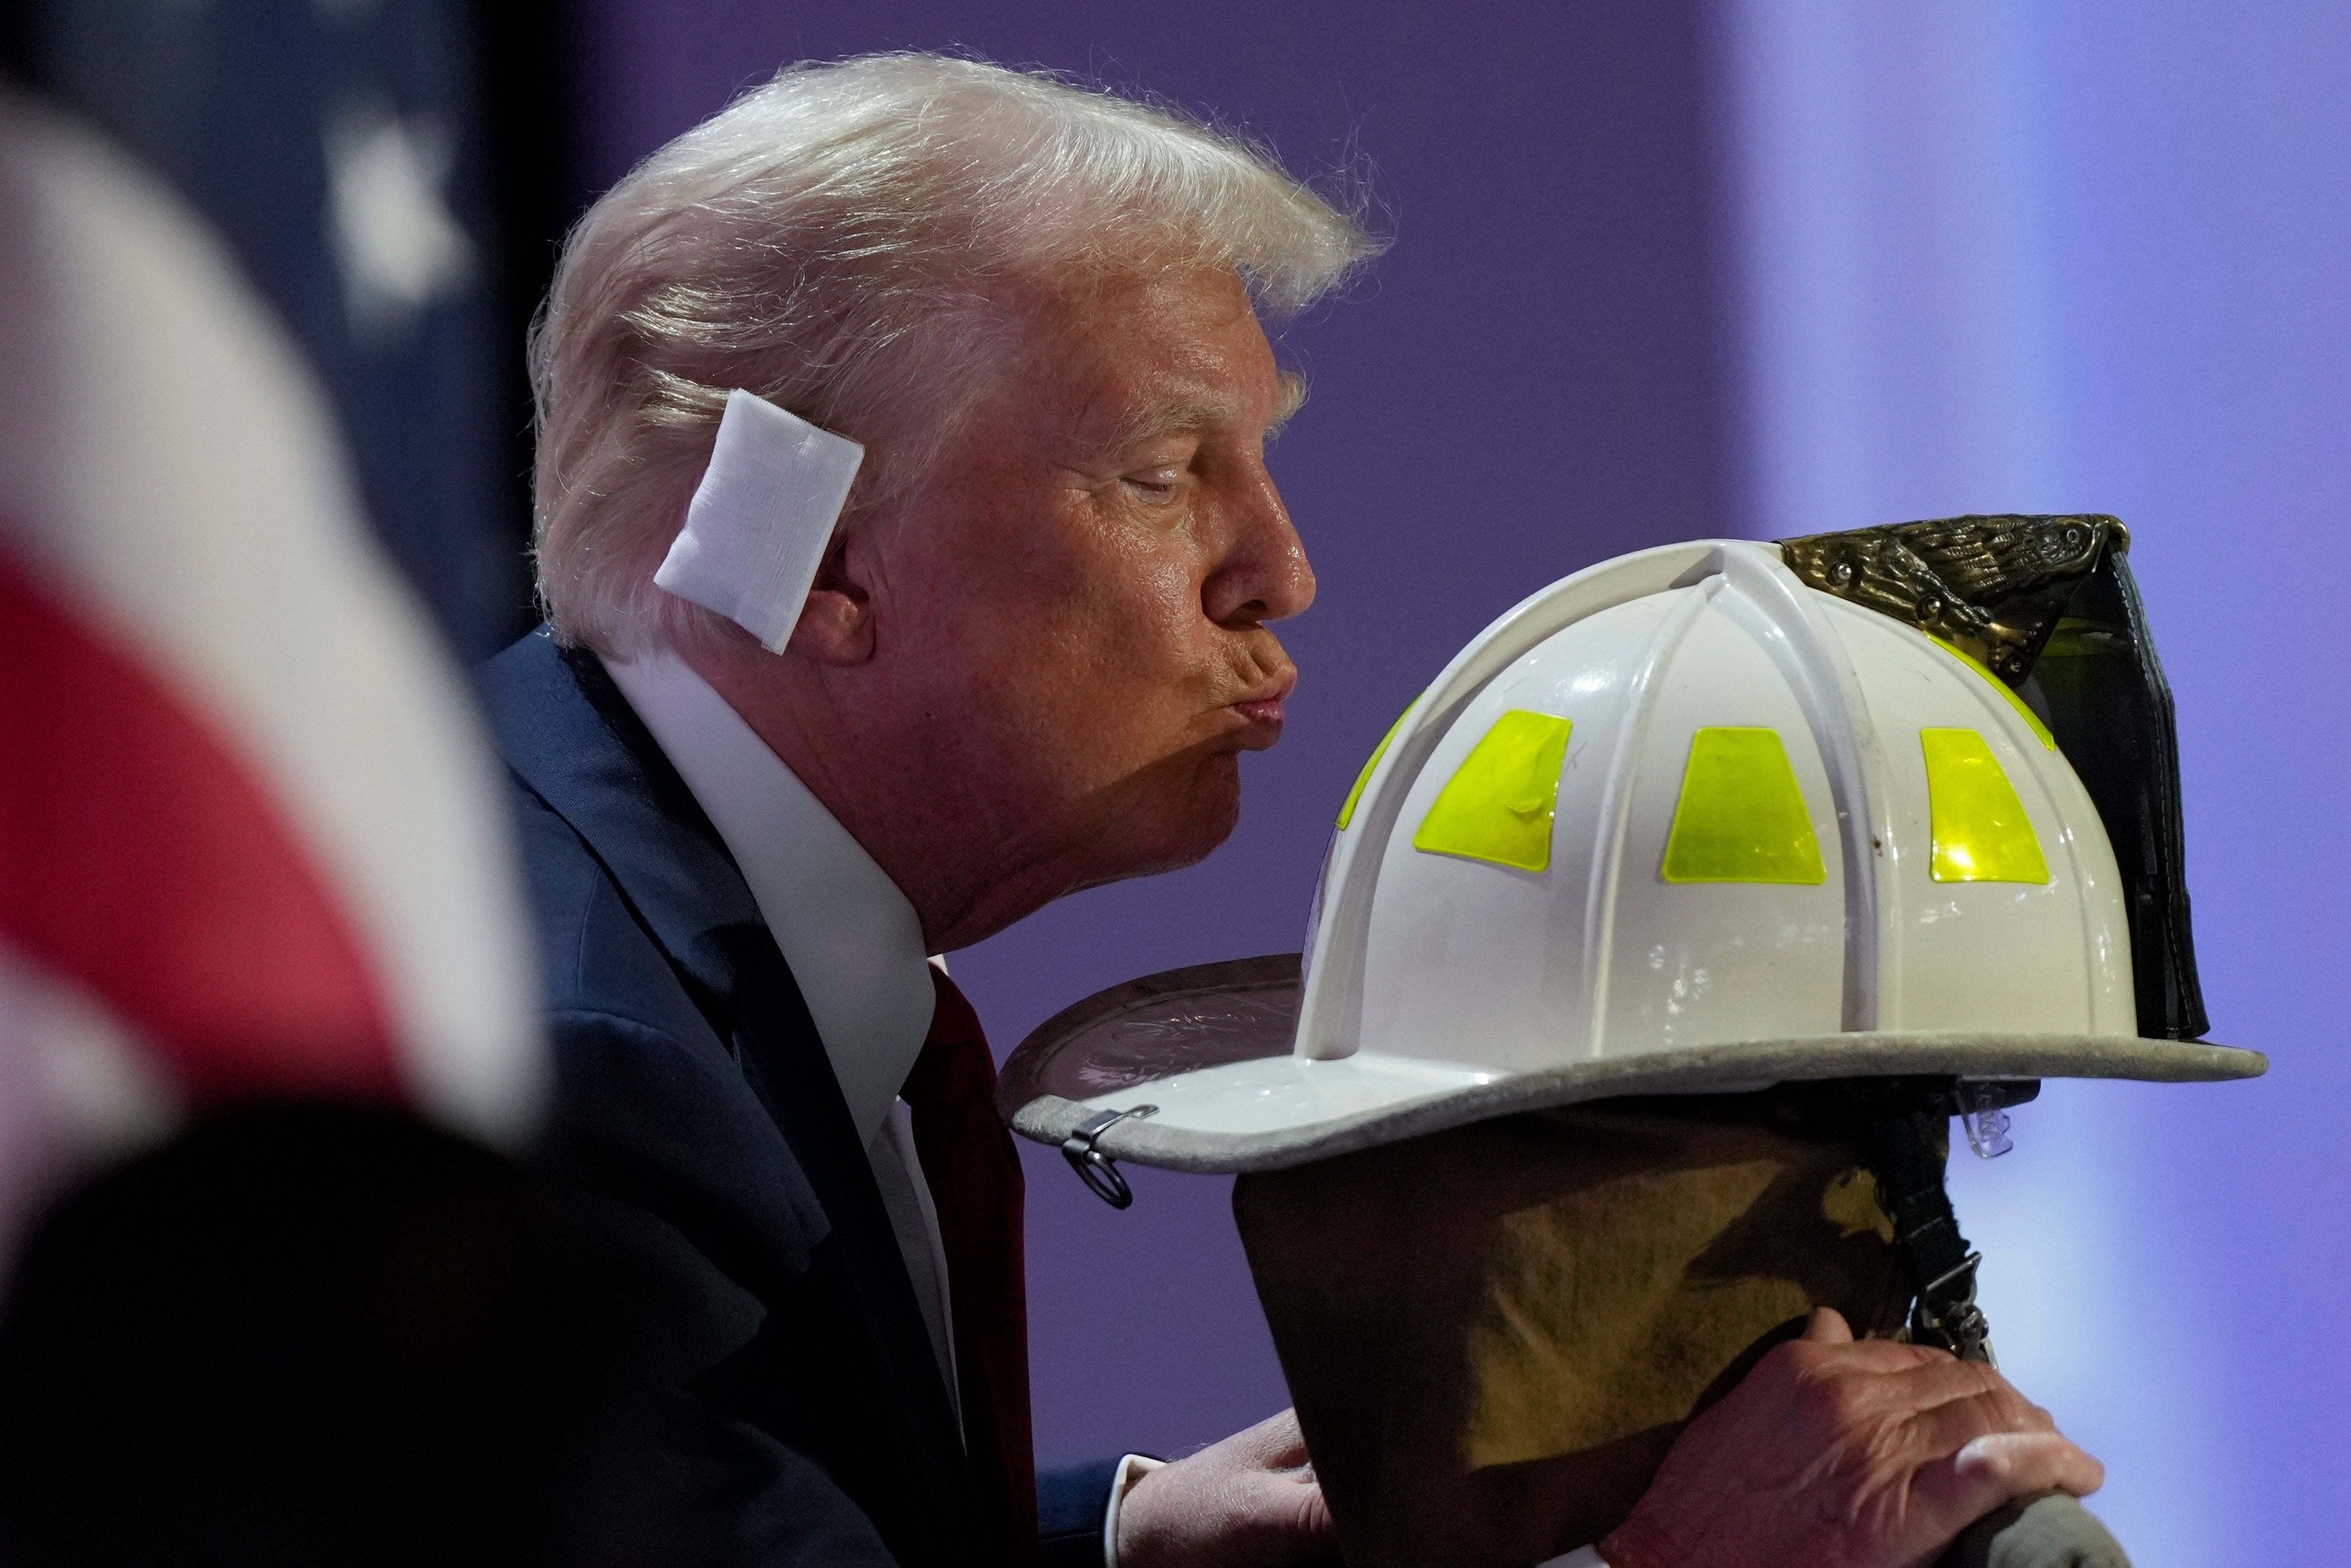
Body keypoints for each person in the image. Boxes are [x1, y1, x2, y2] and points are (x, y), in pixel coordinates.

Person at [482, 53, 2102, 1568]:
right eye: (1160, 470)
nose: (1283, 572)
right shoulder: (561, 1076)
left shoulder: (614, 902)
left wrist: (1117, 1542)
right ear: (823, 562)